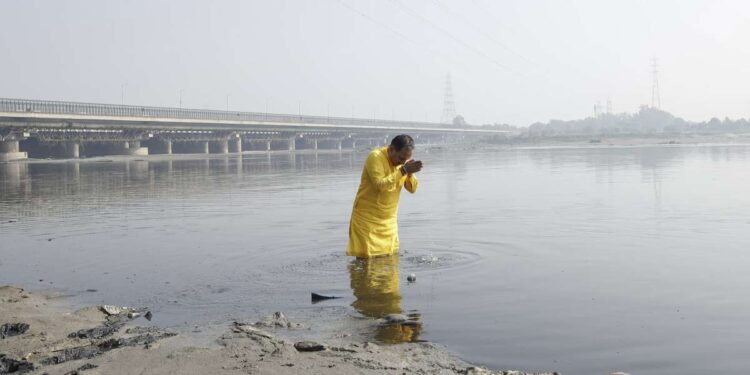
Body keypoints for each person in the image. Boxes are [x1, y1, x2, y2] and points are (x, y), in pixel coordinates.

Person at [347, 134, 423, 258]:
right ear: (391, 149)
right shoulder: (375, 157)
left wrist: (409, 173)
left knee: (391, 265)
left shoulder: (404, 163)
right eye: (401, 158)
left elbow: (412, 189)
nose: (402, 162)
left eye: (406, 159)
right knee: (366, 264)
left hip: (389, 222)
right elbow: (380, 185)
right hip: (367, 222)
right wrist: (403, 170)